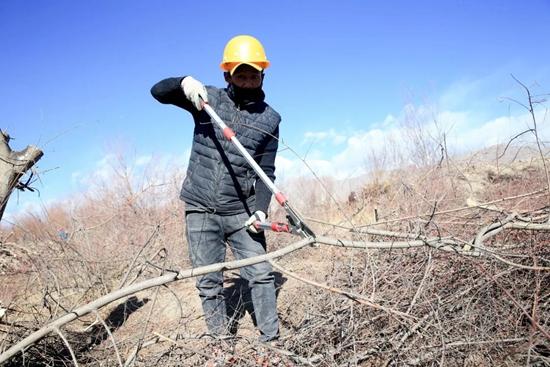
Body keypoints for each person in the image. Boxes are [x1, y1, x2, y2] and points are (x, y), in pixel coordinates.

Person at [151, 35, 280, 343]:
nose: (248, 81)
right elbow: (158, 92)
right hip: (201, 209)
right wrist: (183, 83)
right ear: (228, 75)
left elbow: (267, 171)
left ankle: (272, 342)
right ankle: (221, 345)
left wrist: (261, 209)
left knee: (261, 274)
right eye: (241, 74)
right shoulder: (207, 100)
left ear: (262, 75)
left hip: (241, 212)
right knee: (208, 282)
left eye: (253, 74)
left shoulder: (271, 119)